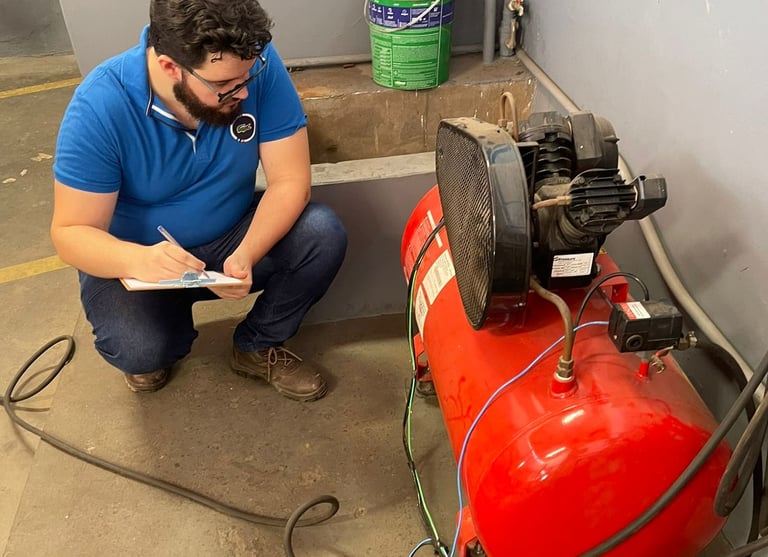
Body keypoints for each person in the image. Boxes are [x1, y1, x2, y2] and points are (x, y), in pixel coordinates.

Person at [50, 0, 347, 400]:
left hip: (231, 234)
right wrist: (137, 261)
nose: (244, 91)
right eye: (225, 85)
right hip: (140, 258)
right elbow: (71, 232)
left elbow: (291, 181)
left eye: (248, 75)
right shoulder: (100, 106)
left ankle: (257, 344)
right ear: (171, 67)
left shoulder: (250, 64)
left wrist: (246, 253)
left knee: (321, 234)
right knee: (139, 350)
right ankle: (160, 332)